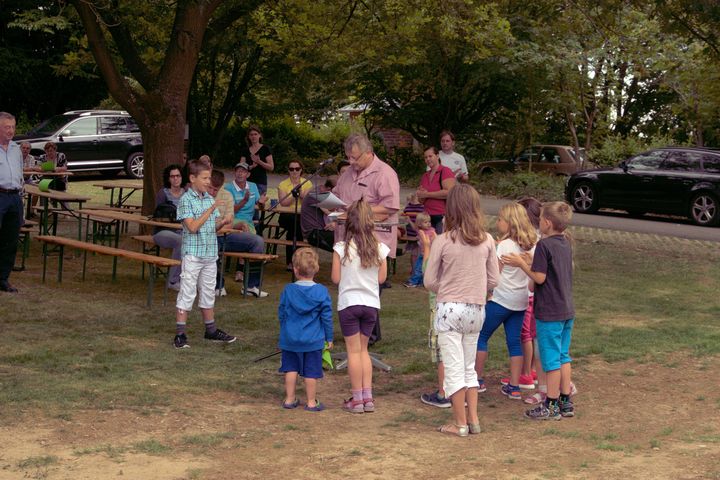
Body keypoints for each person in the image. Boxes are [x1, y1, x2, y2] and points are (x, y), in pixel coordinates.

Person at [423, 184, 499, 436]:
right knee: (469, 368)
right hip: (476, 310)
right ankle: (473, 420)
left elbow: (429, 280)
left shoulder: (443, 240)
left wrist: (448, 287)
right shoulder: (487, 240)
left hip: (450, 309)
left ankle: (460, 423)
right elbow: (494, 279)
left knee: (454, 369)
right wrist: (477, 288)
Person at [502, 201, 575, 420]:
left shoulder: (544, 244)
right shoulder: (565, 243)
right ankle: (565, 401)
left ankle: (550, 405)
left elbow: (539, 278)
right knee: (563, 356)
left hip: (549, 312)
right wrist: (533, 262)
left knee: (550, 359)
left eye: (541, 219)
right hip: (566, 309)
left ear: (547, 223)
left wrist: (522, 264)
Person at [333, 134, 400, 343]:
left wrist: (358, 211)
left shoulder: (385, 173)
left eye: (355, 157)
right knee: (353, 286)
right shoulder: (348, 173)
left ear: (368, 153)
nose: (351, 162)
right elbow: (337, 195)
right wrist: (330, 205)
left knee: (370, 288)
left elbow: (390, 207)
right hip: (349, 239)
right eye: (348, 157)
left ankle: (367, 336)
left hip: (373, 240)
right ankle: (368, 334)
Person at [331, 198, 390, 414]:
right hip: (371, 304)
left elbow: (335, 278)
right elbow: (382, 278)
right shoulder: (380, 249)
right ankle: (368, 397)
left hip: (349, 304)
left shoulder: (341, 248)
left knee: (353, 352)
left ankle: (356, 399)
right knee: (363, 350)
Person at [474, 202, 538, 400]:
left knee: (481, 336)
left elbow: (495, 274)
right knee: (514, 342)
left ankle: (477, 380)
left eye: (500, 219)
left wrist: (487, 292)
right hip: (520, 301)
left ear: (510, 222)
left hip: (500, 300)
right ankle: (515, 386)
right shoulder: (532, 244)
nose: (497, 222)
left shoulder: (505, 245)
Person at [173, 159, 235, 349]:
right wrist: (211, 209)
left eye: (209, 178)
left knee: (208, 292)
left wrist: (222, 222)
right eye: (205, 178)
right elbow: (192, 227)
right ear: (193, 178)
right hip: (193, 254)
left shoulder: (208, 198)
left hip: (209, 254)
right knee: (187, 291)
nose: (209, 182)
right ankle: (180, 334)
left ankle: (211, 330)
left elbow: (210, 228)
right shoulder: (186, 200)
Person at [278, 247, 333, 411]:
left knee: (290, 368)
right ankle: (311, 402)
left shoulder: (288, 290)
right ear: (316, 269)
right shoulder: (321, 291)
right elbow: (327, 317)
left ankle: (289, 399)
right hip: (313, 340)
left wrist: (284, 331)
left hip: (290, 338)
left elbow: (282, 313)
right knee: (311, 371)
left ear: (295, 270)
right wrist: (329, 337)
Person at [209, 169, 267, 298]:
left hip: (226, 235)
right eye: (210, 188)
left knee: (257, 241)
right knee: (211, 246)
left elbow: (229, 222)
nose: (212, 192)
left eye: (216, 189)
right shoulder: (198, 195)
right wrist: (219, 225)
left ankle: (251, 286)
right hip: (208, 237)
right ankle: (217, 286)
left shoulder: (227, 195)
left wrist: (224, 225)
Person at [418, 227, 450, 408]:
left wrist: (428, 247)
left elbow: (427, 273)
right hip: (462, 307)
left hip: (440, 309)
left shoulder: (442, 250)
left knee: (443, 354)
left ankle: (443, 394)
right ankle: (459, 392)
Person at [0, 112, 23, 293]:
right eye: (6, 127)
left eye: (13, 127)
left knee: (10, 240)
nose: (11, 131)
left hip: (15, 197)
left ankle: (3, 279)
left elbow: (20, 173)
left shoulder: (16, 149)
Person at [152, 164, 185, 290]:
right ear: (168, 178)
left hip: (184, 231)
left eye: (178, 176)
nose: (175, 179)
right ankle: (173, 281)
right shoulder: (163, 194)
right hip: (163, 231)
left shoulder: (187, 193)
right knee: (181, 242)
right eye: (172, 176)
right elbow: (157, 217)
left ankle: (192, 279)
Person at [277, 160, 313, 270]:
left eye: (297, 169)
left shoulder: (307, 183)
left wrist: (299, 192)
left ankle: (292, 262)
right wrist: (293, 195)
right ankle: (297, 262)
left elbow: (307, 200)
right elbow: (283, 203)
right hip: (287, 215)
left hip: (302, 216)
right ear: (288, 170)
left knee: (294, 231)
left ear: (301, 170)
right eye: (291, 169)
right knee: (296, 228)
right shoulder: (282, 184)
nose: (294, 171)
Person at [417, 146, 455, 233]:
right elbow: (421, 200)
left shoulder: (445, 171)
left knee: (440, 240)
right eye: (425, 157)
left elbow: (449, 193)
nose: (428, 159)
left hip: (442, 216)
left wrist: (427, 194)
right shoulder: (425, 175)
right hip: (427, 218)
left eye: (430, 156)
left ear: (437, 156)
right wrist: (420, 195)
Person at [225, 161, 266, 233]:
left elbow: (261, 207)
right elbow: (230, 211)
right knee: (245, 228)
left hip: (249, 222)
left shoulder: (253, 186)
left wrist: (261, 203)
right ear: (235, 173)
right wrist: (244, 201)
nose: (240, 173)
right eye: (238, 171)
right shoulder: (228, 188)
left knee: (250, 233)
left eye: (243, 171)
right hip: (232, 220)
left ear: (248, 174)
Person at [301, 175, 337, 252]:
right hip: (313, 233)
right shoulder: (317, 195)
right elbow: (332, 212)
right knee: (341, 242)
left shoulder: (320, 190)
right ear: (329, 189)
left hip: (320, 230)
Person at [403, 212, 436, 288]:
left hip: (427, 254)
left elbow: (435, 239)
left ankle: (413, 282)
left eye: (429, 222)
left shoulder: (431, 231)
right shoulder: (420, 231)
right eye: (425, 222)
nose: (428, 224)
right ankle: (421, 282)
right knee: (422, 268)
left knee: (418, 268)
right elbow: (414, 227)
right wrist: (409, 221)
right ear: (420, 224)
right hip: (423, 253)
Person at [240, 125, 273, 196]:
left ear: (259, 135)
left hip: (261, 183)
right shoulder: (245, 150)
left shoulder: (265, 149)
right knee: (247, 201)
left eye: (255, 134)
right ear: (248, 137)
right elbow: (241, 167)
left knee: (259, 202)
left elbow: (271, 167)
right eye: (251, 135)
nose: (253, 136)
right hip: (247, 182)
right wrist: (251, 166)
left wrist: (259, 162)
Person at [399, 193, 425, 275]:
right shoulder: (411, 207)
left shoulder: (422, 207)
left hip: (418, 232)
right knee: (415, 253)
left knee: (417, 253)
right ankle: (415, 270)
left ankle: (416, 270)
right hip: (412, 232)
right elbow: (405, 215)